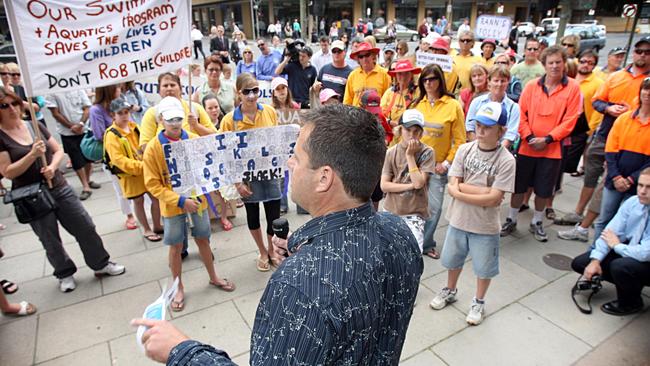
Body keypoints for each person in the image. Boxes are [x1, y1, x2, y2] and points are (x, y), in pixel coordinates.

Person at [133, 104, 423, 365]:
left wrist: (180, 351)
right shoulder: (399, 232)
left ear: (324, 178)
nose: (289, 164)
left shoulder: (296, 290)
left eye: (296, 156)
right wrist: (308, 252)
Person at [0, 87, 125, 292]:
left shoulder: (34, 125)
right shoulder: (2, 137)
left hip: (58, 186)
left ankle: (100, 263)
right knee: (49, 238)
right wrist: (32, 155)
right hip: (31, 195)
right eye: (4, 106)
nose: (12, 109)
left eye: (15, 103)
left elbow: (57, 150)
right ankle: (64, 273)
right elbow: (7, 172)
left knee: (84, 225)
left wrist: (52, 166)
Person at [142, 97, 235, 312]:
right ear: (161, 120)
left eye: (178, 119)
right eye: (170, 119)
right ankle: (178, 287)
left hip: (198, 201)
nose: (175, 124)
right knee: (175, 245)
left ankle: (213, 277)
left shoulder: (194, 140)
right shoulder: (153, 149)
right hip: (173, 205)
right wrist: (180, 200)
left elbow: (208, 168)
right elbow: (152, 184)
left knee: (203, 238)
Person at [430, 101, 516, 325]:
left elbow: (494, 197)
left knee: (484, 267)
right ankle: (450, 289)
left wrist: (461, 192)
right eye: (478, 124)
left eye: (487, 127)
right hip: (458, 220)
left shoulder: (506, 160)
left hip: (485, 226)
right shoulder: (464, 149)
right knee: (452, 260)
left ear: (501, 130)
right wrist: (481, 192)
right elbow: (452, 183)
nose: (480, 130)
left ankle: (479, 301)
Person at [558, 37, 650, 242]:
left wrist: (630, 112)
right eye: (639, 51)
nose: (642, 55)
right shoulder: (616, 77)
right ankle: (579, 212)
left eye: (647, 52)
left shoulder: (647, 82)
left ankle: (585, 228)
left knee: (608, 184)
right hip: (605, 135)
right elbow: (597, 101)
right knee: (591, 176)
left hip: (631, 144)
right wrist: (608, 108)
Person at [500, 46, 581, 242]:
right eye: (550, 62)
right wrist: (528, 138)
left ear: (564, 63)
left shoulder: (573, 88)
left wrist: (548, 139)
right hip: (527, 148)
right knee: (518, 187)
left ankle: (537, 221)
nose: (554, 66)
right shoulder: (531, 87)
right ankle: (511, 219)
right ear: (544, 65)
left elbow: (570, 120)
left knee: (544, 190)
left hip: (552, 150)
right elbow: (521, 114)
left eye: (558, 62)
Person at [220, 74, 282, 271]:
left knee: (273, 213)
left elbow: (277, 141)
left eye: (255, 90)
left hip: (269, 171)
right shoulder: (229, 120)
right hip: (246, 176)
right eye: (247, 91)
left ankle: (272, 250)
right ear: (239, 93)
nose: (252, 95)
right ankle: (262, 251)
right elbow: (226, 153)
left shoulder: (270, 112)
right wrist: (237, 182)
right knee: (253, 214)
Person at [571, 167, 650, 316]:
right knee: (581, 263)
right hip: (631, 249)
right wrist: (595, 260)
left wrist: (617, 246)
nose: (642, 191)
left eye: (648, 187)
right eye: (640, 185)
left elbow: (645, 253)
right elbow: (610, 232)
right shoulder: (633, 202)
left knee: (621, 266)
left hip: (645, 258)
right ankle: (629, 283)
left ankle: (631, 303)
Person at [411, 64, 465, 260]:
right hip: (416, 165)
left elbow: (460, 140)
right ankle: (412, 240)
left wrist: (446, 164)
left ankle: (426, 243)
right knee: (412, 205)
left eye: (432, 79)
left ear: (440, 80)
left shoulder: (453, 106)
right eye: (425, 79)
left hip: (438, 167)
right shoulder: (418, 105)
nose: (428, 83)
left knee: (433, 208)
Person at [547, 49, 604, 219]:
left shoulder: (596, 83)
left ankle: (549, 204)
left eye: (591, 62)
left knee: (558, 170)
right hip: (551, 133)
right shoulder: (564, 83)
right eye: (584, 61)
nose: (586, 65)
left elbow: (592, 111)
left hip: (573, 133)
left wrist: (588, 131)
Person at [104, 98, 163, 242]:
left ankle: (156, 224)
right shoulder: (111, 135)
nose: (125, 115)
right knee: (138, 201)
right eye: (120, 113)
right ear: (113, 115)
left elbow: (145, 145)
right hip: (130, 175)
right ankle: (146, 229)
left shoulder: (134, 126)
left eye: (126, 112)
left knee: (155, 198)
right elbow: (118, 160)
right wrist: (141, 166)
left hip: (145, 170)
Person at [380, 109, 435, 251]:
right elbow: (384, 185)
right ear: (400, 130)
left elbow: (418, 182)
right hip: (391, 210)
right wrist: (409, 186)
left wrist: (410, 156)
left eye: (416, 131)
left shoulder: (427, 152)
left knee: (413, 253)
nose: (411, 135)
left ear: (421, 133)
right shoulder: (391, 152)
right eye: (407, 130)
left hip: (414, 213)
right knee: (390, 253)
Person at [89, 84, 138, 229]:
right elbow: (99, 134)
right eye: (117, 88)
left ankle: (142, 212)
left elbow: (132, 124)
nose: (120, 90)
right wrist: (118, 135)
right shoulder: (96, 110)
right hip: (113, 156)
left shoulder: (122, 101)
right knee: (121, 188)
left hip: (132, 151)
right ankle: (129, 215)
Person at [46, 90, 98, 201]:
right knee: (76, 159)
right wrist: (71, 127)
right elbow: (55, 113)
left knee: (88, 157)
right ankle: (85, 186)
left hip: (84, 130)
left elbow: (87, 108)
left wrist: (80, 124)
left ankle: (88, 180)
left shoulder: (79, 89)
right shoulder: (52, 93)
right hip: (67, 133)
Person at [465, 65, 520, 149]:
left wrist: (494, 153)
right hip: (476, 149)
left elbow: (510, 135)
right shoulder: (477, 102)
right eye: (496, 80)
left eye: (503, 81)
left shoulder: (514, 107)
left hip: (500, 152)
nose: (499, 84)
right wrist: (480, 148)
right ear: (489, 81)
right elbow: (469, 128)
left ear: (508, 82)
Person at [271, 77, 300, 214]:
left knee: (297, 175)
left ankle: (301, 204)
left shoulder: (295, 107)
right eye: (278, 89)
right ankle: (283, 205)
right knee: (281, 178)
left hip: (294, 147)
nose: (281, 91)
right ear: (274, 93)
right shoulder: (270, 110)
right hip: (278, 148)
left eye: (283, 88)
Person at [343, 42, 391, 107]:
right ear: (358, 59)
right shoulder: (353, 75)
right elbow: (347, 101)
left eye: (367, 55)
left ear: (373, 56)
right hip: (356, 115)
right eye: (361, 57)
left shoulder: (384, 74)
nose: (364, 59)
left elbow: (388, 99)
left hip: (376, 115)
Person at [381, 59, 420, 126]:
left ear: (411, 75)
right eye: (400, 73)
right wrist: (390, 122)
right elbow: (381, 114)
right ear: (395, 75)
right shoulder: (389, 92)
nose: (403, 76)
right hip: (391, 132)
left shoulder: (418, 91)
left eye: (406, 73)